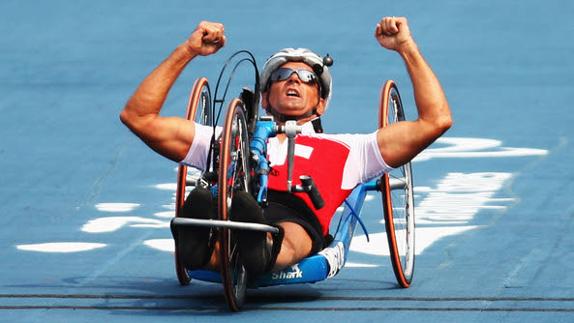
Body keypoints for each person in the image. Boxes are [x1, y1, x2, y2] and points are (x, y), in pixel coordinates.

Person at [120, 17, 452, 278]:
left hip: (295, 215)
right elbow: (138, 117)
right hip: (231, 202)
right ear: (264, 97)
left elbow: (435, 121)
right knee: (221, 203)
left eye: (307, 79)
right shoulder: (224, 137)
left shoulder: (351, 149)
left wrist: (406, 47)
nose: (293, 80)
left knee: (290, 231)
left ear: (321, 104)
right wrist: (187, 51)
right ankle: (202, 245)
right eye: (282, 75)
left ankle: (254, 247)